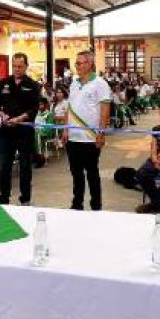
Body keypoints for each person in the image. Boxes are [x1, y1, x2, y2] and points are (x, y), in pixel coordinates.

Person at [63, 50, 112, 211]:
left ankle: (96, 206)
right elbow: (69, 108)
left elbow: (105, 110)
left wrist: (101, 133)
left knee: (92, 174)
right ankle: (77, 204)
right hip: (73, 138)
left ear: (90, 64)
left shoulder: (100, 84)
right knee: (76, 174)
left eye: (79, 63)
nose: (76, 66)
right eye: (76, 63)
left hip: (90, 139)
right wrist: (65, 129)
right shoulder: (74, 83)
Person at [0, 53, 41, 206]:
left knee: (25, 167)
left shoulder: (33, 85)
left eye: (20, 66)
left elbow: (34, 109)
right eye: (14, 66)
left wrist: (19, 119)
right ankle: (4, 198)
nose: (17, 69)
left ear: (26, 66)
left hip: (24, 132)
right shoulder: (4, 83)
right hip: (6, 132)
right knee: (5, 166)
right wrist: (2, 115)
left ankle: (25, 198)